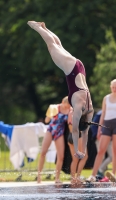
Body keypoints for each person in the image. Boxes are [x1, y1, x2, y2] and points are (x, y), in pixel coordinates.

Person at [27, 21, 94, 160]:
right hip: (72, 70)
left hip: (79, 67)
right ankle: (38, 28)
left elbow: (85, 132)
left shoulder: (89, 110)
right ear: (78, 118)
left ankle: (45, 27)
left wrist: (83, 150)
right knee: (52, 47)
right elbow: (75, 131)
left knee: (59, 46)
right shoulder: (79, 107)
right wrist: (76, 150)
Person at [86, 79, 116, 182]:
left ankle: (113, 175)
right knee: (101, 150)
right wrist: (99, 128)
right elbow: (103, 113)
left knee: (115, 150)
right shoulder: (106, 98)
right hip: (106, 124)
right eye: (113, 87)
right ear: (111, 87)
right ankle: (93, 175)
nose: (114, 89)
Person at [37, 96, 71, 184]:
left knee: (61, 156)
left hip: (60, 132)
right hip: (51, 130)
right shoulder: (55, 108)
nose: (67, 107)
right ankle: (39, 175)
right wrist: (49, 114)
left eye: (69, 105)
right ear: (62, 103)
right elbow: (47, 120)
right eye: (66, 105)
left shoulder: (70, 110)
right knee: (43, 152)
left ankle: (57, 178)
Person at [67, 109, 88, 184]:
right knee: (84, 157)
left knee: (75, 159)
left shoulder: (70, 112)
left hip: (70, 135)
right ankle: (78, 177)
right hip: (78, 135)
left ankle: (73, 179)